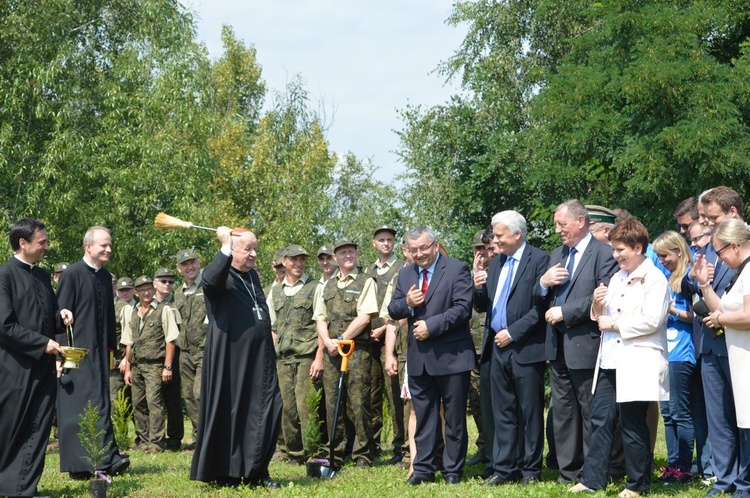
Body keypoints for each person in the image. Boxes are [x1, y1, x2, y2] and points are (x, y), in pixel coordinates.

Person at [570, 219, 670, 497]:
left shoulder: (655, 279)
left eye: (620, 250)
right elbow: (600, 315)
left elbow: (653, 320)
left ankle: (637, 484)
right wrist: (597, 303)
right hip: (611, 359)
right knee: (600, 418)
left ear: (638, 247)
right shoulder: (617, 277)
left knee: (632, 421)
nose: (616, 255)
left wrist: (614, 324)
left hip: (638, 359)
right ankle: (592, 479)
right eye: (613, 250)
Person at [190, 228, 281, 488]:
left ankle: (257, 470)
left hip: (259, 358)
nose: (253, 254)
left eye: (255, 249)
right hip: (231, 359)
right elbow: (208, 281)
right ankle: (228, 472)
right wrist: (225, 246)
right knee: (232, 412)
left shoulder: (251, 276)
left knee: (269, 407)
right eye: (247, 249)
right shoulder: (220, 275)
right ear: (232, 250)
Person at [537, 200, 619, 483]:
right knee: (562, 411)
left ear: (581, 221)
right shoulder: (557, 253)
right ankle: (568, 471)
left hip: (586, 341)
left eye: (563, 224)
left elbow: (604, 294)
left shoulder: (603, 253)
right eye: (556, 224)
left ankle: (594, 471)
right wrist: (543, 283)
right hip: (557, 345)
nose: (558, 230)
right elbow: (540, 297)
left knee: (590, 411)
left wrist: (566, 312)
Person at [388, 226, 475, 485]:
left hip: (452, 358)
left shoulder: (457, 268)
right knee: (424, 418)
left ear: (435, 246)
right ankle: (423, 469)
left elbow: (463, 309)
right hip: (420, 360)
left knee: (454, 419)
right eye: (413, 250)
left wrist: (432, 326)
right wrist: (408, 304)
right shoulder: (404, 274)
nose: (419, 254)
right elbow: (393, 309)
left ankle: (452, 471)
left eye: (424, 248)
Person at [473, 211, 549, 486]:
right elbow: (484, 306)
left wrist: (513, 333)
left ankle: (530, 469)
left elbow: (540, 308)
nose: (494, 241)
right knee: (502, 410)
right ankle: (504, 469)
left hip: (526, 348)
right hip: (497, 348)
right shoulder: (496, 264)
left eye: (499, 235)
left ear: (517, 234)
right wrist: (477, 288)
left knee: (529, 411)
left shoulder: (539, 260)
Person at [0, 219, 72, 497]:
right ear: (23, 243)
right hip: (15, 368)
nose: (46, 247)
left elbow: (47, 316)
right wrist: (43, 344)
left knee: (40, 426)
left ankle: (25, 487)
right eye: (42, 242)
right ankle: (9, 486)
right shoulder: (4, 275)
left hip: (43, 365)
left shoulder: (42, 276)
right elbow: (5, 326)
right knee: (15, 427)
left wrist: (61, 317)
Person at [56, 226, 129, 480]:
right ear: (89, 247)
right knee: (77, 406)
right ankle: (79, 466)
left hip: (100, 354)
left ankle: (105, 458)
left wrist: (112, 354)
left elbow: (109, 319)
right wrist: (61, 357)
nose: (109, 249)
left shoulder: (105, 276)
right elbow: (59, 319)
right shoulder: (72, 274)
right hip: (75, 354)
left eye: (110, 245)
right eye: (104, 245)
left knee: (100, 403)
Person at [688, 186, 745, 497]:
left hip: (739, 345)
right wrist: (699, 276)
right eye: (703, 218)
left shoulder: (743, 245)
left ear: (732, 213)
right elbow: (687, 279)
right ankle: (724, 479)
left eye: (711, 218)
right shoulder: (708, 247)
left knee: (744, 417)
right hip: (710, 344)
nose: (705, 224)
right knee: (718, 418)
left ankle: (744, 481)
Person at [314, 237, 379, 469]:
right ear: (335, 258)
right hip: (333, 351)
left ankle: (363, 452)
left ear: (357, 253)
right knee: (333, 402)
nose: (347, 256)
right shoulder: (327, 286)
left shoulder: (365, 281)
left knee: (359, 401)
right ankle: (337, 450)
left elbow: (365, 316)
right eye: (342, 253)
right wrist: (328, 341)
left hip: (357, 350)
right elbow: (320, 318)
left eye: (351, 251)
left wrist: (343, 339)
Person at [267, 244, 324, 464]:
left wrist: (319, 357)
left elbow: (321, 323)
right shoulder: (276, 291)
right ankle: (293, 453)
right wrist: (274, 355)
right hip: (283, 359)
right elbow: (272, 327)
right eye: (294, 260)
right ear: (284, 262)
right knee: (286, 408)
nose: (298, 263)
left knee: (307, 408)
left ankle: (314, 453)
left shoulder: (314, 287)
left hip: (306, 357)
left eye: (302, 260)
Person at [653, 231, 697, 483]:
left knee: (681, 412)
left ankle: (684, 467)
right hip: (664, 351)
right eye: (658, 256)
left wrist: (669, 309)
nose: (661, 261)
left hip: (683, 351)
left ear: (678, 251)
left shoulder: (690, 277)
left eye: (665, 255)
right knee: (668, 414)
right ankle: (671, 466)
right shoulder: (667, 278)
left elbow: (696, 316)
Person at [122, 275, 179, 453]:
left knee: (154, 402)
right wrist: (128, 369)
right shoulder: (132, 312)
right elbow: (129, 342)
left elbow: (171, 340)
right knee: (138, 403)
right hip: (137, 365)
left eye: (149, 289)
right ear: (136, 292)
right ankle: (144, 440)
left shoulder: (165, 310)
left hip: (155, 364)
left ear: (154, 290)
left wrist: (167, 366)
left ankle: (156, 442)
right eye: (142, 289)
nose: (146, 292)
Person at [365, 225, 406, 464]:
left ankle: (401, 447)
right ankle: (374, 446)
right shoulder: (367, 271)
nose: (385, 243)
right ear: (374, 243)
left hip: (393, 338)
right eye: (381, 239)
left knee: (395, 396)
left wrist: (382, 328)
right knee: (371, 396)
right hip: (368, 342)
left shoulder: (403, 268)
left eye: (389, 240)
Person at [174, 249, 207, 449]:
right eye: (185, 264)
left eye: (193, 262)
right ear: (179, 269)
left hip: (205, 349)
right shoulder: (178, 292)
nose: (190, 267)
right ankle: (197, 438)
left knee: (200, 393)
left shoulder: (208, 285)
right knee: (188, 396)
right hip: (185, 352)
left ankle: (207, 436)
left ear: (199, 263)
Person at [152, 267, 184, 451]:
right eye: (163, 281)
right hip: (153, 359)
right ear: (154, 283)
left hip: (175, 356)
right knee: (153, 399)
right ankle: (154, 437)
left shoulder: (177, 302)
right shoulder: (147, 303)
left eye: (170, 281)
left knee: (172, 399)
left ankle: (174, 438)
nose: (167, 285)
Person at [467, 230, 490, 468]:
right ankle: (484, 447)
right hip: (471, 350)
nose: (481, 255)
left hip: (492, 348)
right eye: (477, 250)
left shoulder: (500, 270)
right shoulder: (466, 275)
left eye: (485, 250)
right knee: (476, 401)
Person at [111, 276, 135, 406]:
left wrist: (127, 358)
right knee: (116, 399)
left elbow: (130, 337)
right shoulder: (112, 306)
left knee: (134, 402)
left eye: (127, 290)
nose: (124, 293)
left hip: (127, 360)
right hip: (113, 361)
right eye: (121, 290)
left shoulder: (135, 307)